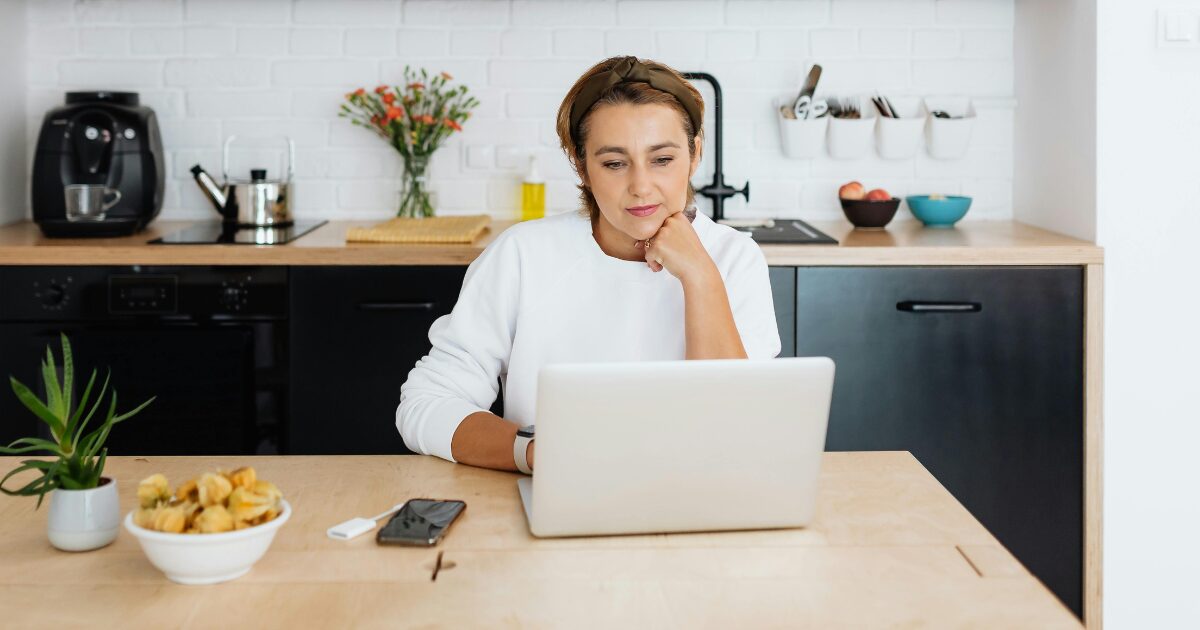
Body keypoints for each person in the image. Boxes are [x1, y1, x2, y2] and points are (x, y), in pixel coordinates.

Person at [396, 56, 780, 473]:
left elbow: (736, 434)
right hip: (554, 501)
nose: (641, 186)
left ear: (695, 152)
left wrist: (701, 277)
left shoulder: (734, 259)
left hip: (701, 500)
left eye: (662, 159)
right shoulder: (522, 255)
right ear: (581, 165)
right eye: (614, 163)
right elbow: (426, 404)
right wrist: (531, 452)